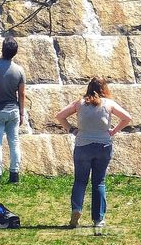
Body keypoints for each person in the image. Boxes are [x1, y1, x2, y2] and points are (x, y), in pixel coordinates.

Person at [55, 77, 132, 229]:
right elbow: (127, 118)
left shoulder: (80, 103)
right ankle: (98, 219)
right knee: (99, 182)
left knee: (80, 181)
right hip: (103, 146)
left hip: (83, 146)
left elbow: (60, 116)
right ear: (105, 88)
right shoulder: (109, 104)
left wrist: (72, 129)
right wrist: (114, 131)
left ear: (89, 88)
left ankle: (76, 209)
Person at [0, 36, 25, 183]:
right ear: (15, 52)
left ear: (2, 49)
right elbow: (22, 94)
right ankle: (14, 174)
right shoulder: (19, 71)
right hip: (13, 110)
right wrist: (21, 113)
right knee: (14, 141)